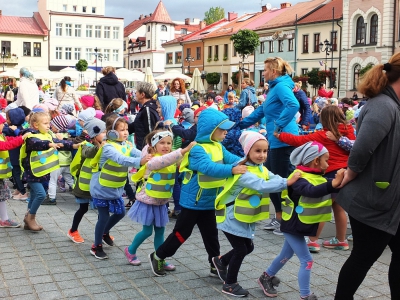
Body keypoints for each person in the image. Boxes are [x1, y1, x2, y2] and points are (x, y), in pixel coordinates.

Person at [148, 108, 247, 277]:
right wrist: (233, 169)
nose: (225, 133)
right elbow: (208, 168)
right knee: (181, 234)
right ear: (211, 130)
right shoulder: (197, 149)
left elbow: (233, 159)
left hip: (210, 200)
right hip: (193, 201)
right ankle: (158, 256)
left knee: (211, 236)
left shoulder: (218, 146)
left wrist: (251, 161)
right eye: (222, 129)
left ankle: (215, 264)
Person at [334, 54, 400, 299]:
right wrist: (350, 173)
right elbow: (362, 149)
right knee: (363, 257)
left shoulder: (393, 105)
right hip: (375, 202)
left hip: (391, 202)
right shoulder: (383, 105)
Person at [212, 131, 299, 297]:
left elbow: (272, 178)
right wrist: (286, 182)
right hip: (230, 216)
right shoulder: (243, 170)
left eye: (265, 151)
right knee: (240, 250)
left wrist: (290, 180)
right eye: (257, 151)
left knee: (248, 247)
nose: (262, 155)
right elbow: (260, 185)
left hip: (242, 215)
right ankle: (229, 284)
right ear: (247, 151)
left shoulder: (260, 168)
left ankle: (221, 261)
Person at [258, 141, 344, 300]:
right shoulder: (299, 177)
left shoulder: (317, 177)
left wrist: (342, 180)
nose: (328, 163)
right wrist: (334, 183)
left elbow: (326, 188)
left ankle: (266, 276)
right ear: (315, 161)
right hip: (292, 225)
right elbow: (311, 191)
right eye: (326, 160)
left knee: (286, 254)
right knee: (307, 260)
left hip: (299, 225)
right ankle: (305, 295)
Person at [275, 105, 355, 252]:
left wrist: (280, 136)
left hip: (331, 174)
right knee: (338, 208)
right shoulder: (349, 131)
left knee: (322, 208)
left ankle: (312, 241)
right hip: (345, 173)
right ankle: (341, 240)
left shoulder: (323, 135)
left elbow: (300, 140)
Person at [239, 57, 300, 235]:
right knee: (271, 179)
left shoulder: (280, 86)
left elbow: (293, 105)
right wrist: (240, 124)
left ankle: (289, 220)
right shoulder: (274, 88)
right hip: (275, 140)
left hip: (283, 140)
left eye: (265, 70)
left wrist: (280, 125)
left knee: (282, 181)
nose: (263, 73)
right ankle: (280, 218)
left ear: (273, 71)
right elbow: (261, 111)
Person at [125, 129, 195, 267]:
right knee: (146, 231)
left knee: (160, 232)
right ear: (154, 145)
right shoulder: (153, 160)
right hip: (148, 201)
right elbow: (165, 161)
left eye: (169, 143)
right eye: (162, 143)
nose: (166, 146)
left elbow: (181, 162)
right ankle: (130, 250)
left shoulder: (171, 158)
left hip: (161, 202)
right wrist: (184, 150)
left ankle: (159, 258)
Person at [89, 115, 150, 259]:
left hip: (115, 187)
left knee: (121, 212)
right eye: (122, 129)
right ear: (111, 132)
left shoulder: (127, 145)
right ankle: (96, 246)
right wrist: (140, 161)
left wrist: (154, 155)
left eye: (127, 129)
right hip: (101, 187)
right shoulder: (108, 147)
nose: (126, 132)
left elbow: (139, 153)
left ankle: (104, 232)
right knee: (103, 217)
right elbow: (121, 159)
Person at [20, 112, 79, 231]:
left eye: (49, 123)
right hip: (32, 172)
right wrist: (49, 144)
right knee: (41, 194)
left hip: (42, 171)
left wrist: (73, 146)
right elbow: (37, 144)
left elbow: (60, 143)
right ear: (36, 125)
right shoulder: (30, 136)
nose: (48, 126)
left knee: (34, 195)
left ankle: (28, 219)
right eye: (45, 123)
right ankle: (31, 218)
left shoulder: (47, 135)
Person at [68, 118, 106, 243]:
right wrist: (100, 147)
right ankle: (73, 230)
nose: (106, 135)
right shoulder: (85, 146)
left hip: (99, 185)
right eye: (103, 132)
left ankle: (104, 232)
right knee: (83, 208)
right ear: (94, 135)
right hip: (84, 185)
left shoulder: (107, 147)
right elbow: (89, 153)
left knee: (103, 211)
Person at [0, 115, 32, 228]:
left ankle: (4, 219)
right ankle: (4, 219)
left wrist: (21, 138)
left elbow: (10, 140)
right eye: (2, 124)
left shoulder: (1, 135)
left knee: (2, 196)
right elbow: (7, 145)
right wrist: (22, 138)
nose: (4, 125)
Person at [4, 107, 29, 200]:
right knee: (16, 173)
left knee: (16, 174)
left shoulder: (12, 129)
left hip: (15, 156)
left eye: (7, 118)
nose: (6, 121)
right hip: (16, 155)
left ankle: (23, 192)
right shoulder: (20, 129)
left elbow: (4, 130)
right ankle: (19, 189)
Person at [128, 82, 160, 150]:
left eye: (136, 92)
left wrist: (150, 149)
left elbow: (150, 131)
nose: (135, 94)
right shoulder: (146, 108)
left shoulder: (147, 109)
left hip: (146, 149)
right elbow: (137, 125)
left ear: (142, 94)